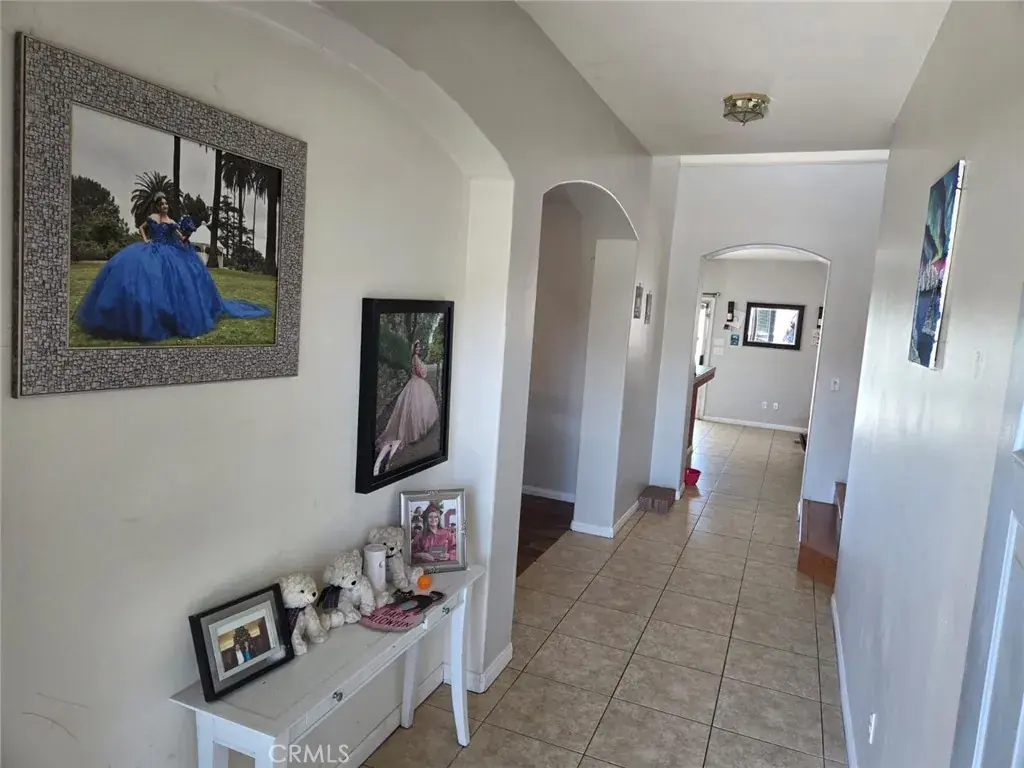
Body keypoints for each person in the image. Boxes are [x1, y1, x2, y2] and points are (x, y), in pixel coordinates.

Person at [75, 193, 270, 342]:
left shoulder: (171, 222)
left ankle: (167, 316)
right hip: (152, 248)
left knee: (172, 283)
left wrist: (187, 233)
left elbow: (180, 237)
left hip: (170, 252)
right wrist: (146, 240)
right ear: (157, 206)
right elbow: (142, 228)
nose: (164, 206)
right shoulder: (152, 217)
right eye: (161, 204)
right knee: (144, 276)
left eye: (166, 204)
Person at [373, 340, 440, 475]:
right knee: (415, 409)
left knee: (414, 409)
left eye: (419, 347)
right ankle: (391, 455)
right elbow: (421, 373)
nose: (419, 348)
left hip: (414, 383)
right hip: (417, 384)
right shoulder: (415, 358)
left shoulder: (415, 358)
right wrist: (424, 370)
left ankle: (382, 461)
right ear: (414, 349)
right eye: (417, 347)